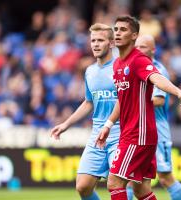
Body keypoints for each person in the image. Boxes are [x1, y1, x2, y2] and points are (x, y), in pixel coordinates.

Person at [95, 15, 181, 200]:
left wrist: (178, 92)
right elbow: (122, 99)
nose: (118, 33)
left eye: (123, 30)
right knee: (140, 190)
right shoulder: (118, 64)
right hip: (132, 132)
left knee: (114, 183)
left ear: (134, 36)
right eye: (116, 29)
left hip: (138, 134)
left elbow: (157, 79)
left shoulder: (139, 60)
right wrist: (108, 125)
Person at [50, 23, 124, 200]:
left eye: (100, 40)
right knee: (83, 187)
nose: (96, 44)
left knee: (118, 184)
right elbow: (89, 102)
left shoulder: (121, 68)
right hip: (97, 134)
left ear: (111, 43)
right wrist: (66, 124)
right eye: (93, 40)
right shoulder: (90, 71)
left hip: (121, 133)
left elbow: (125, 100)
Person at [126, 34, 181, 200]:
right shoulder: (132, 67)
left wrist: (131, 104)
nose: (138, 50)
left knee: (166, 178)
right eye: (136, 46)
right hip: (137, 130)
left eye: (143, 47)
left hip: (157, 130)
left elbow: (158, 100)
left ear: (153, 50)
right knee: (131, 179)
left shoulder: (158, 70)